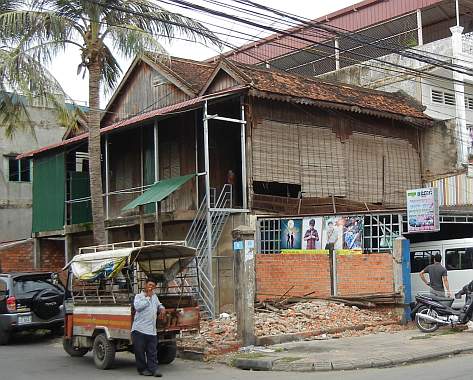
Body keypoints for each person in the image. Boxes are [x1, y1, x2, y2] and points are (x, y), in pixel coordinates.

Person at [132, 278, 166, 377]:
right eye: (149, 285)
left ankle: (154, 369)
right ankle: (142, 369)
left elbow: (159, 305)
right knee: (140, 351)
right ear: (145, 285)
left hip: (151, 330)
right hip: (139, 329)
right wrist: (147, 298)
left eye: (153, 286)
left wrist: (162, 309)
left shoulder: (155, 297)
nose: (151, 287)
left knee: (152, 352)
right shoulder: (139, 296)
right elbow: (138, 307)